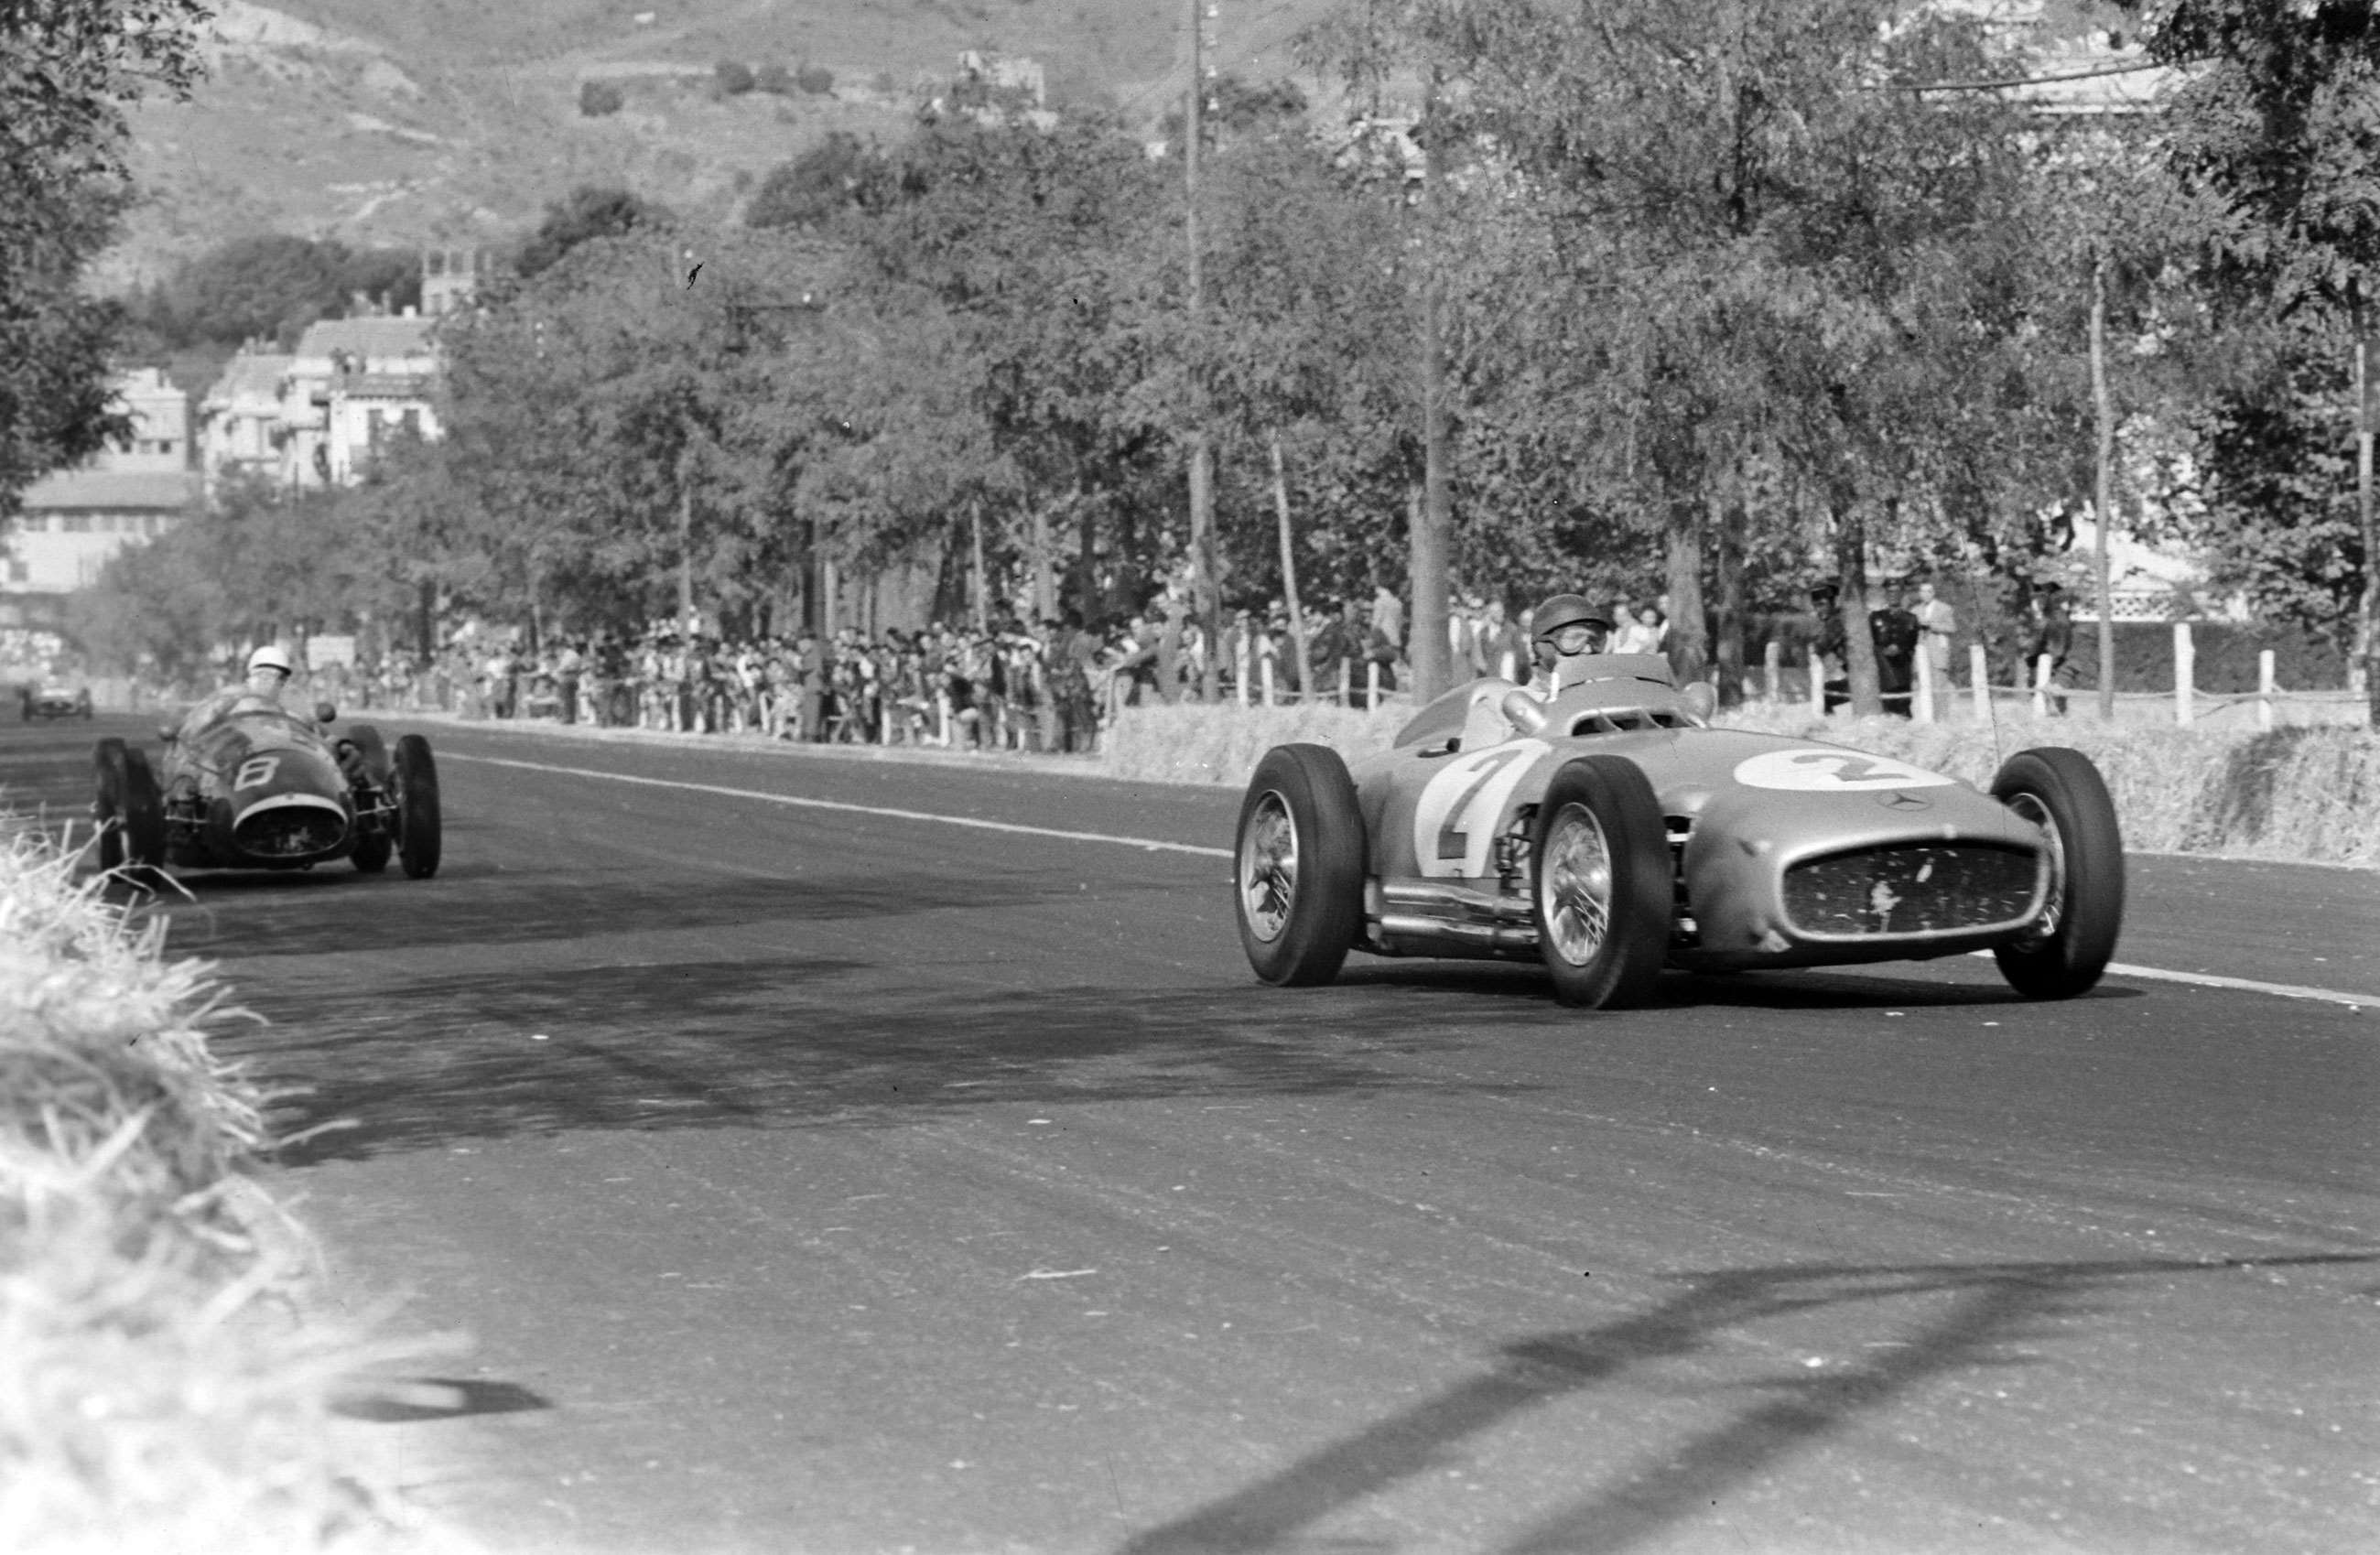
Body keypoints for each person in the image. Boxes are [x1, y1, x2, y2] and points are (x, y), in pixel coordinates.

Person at [1525, 593, 1616, 694]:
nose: (1588, 649)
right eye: (1574, 638)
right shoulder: (1523, 701)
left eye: (1594, 640)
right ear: (1543, 647)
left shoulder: (1606, 692)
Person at [1870, 586, 1922, 718]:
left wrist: (1901, 648)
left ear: (1902, 595)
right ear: (1885, 595)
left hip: (1903, 665)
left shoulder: (1911, 618)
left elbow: (1913, 642)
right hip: (1883, 666)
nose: (1893, 595)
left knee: (1903, 700)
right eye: (1890, 592)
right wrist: (1883, 650)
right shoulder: (1875, 617)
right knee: (1887, 700)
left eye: (1896, 592)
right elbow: (1871, 641)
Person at [1915, 580, 1957, 696]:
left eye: (1928, 591)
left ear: (1933, 593)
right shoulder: (1915, 610)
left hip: (1938, 651)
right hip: (1921, 651)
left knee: (1939, 686)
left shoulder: (1945, 608)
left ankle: (1942, 712)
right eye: (1922, 592)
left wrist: (1932, 626)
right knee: (1923, 686)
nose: (1925, 594)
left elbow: (1952, 628)